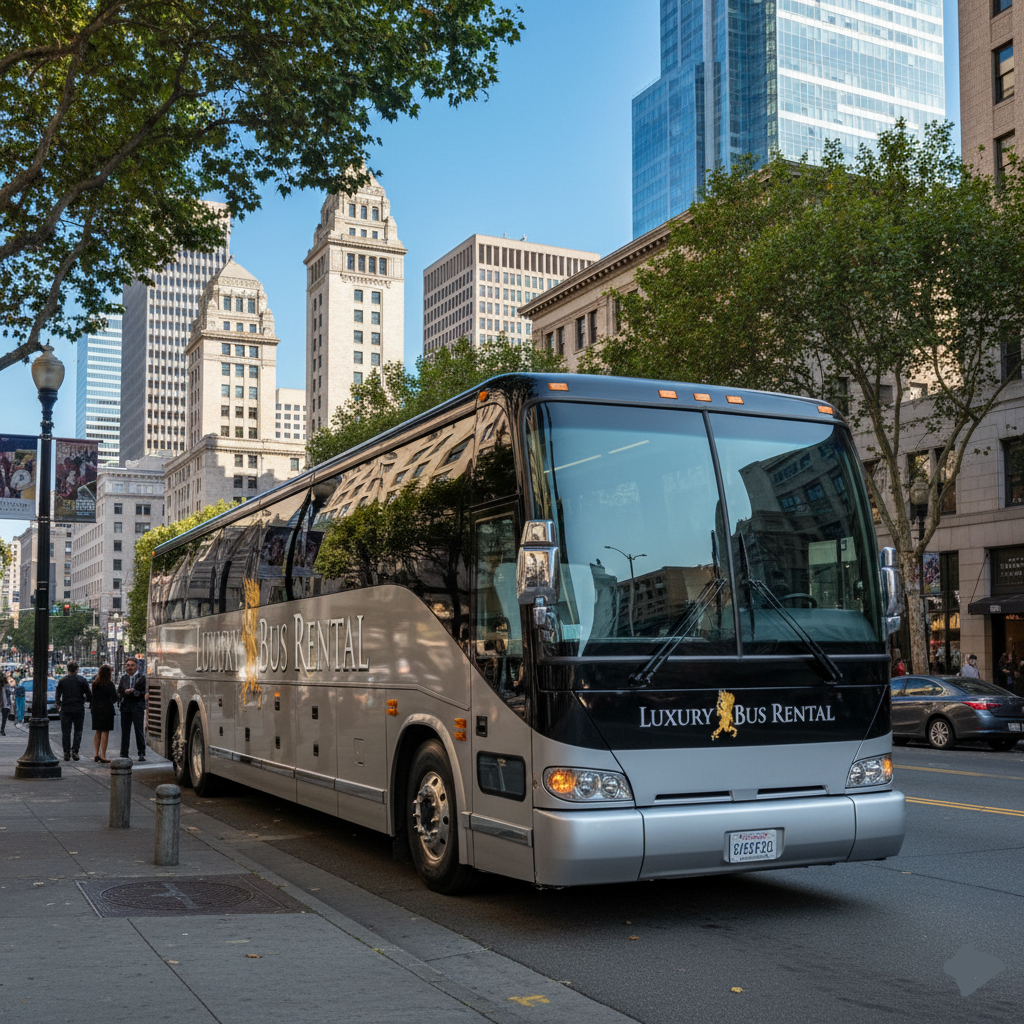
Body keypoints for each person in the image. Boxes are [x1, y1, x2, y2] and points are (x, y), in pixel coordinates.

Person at [54, 661, 92, 761]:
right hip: (78, 707)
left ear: (67, 669)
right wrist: (85, 700)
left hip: (66, 708)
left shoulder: (63, 681)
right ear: (77, 669)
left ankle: (66, 753)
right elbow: (89, 695)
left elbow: (58, 694)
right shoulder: (82, 680)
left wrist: (58, 703)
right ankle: (75, 751)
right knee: (78, 731)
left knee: (66, 732)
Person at [117, 656, 147, 761]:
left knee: (138, 730)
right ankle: (124, 753)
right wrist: (122, 694)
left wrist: (134, 691)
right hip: (125, 707)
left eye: (132, 665)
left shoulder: (141, 678)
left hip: (137, 706)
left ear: (136, 666)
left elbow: (144, 693)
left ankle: (141, 752)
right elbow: (119, 691)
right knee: (125, 731)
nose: (130, 667)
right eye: (128, 665)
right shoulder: (123, 678)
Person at [90, 663, 117, 763]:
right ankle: (103, 755)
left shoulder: (95, 683)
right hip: (106, 709)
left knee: (98, 731)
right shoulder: (109, 684)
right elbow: (114, 698)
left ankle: (96, 754)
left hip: (96, 709)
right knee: (105, 731)